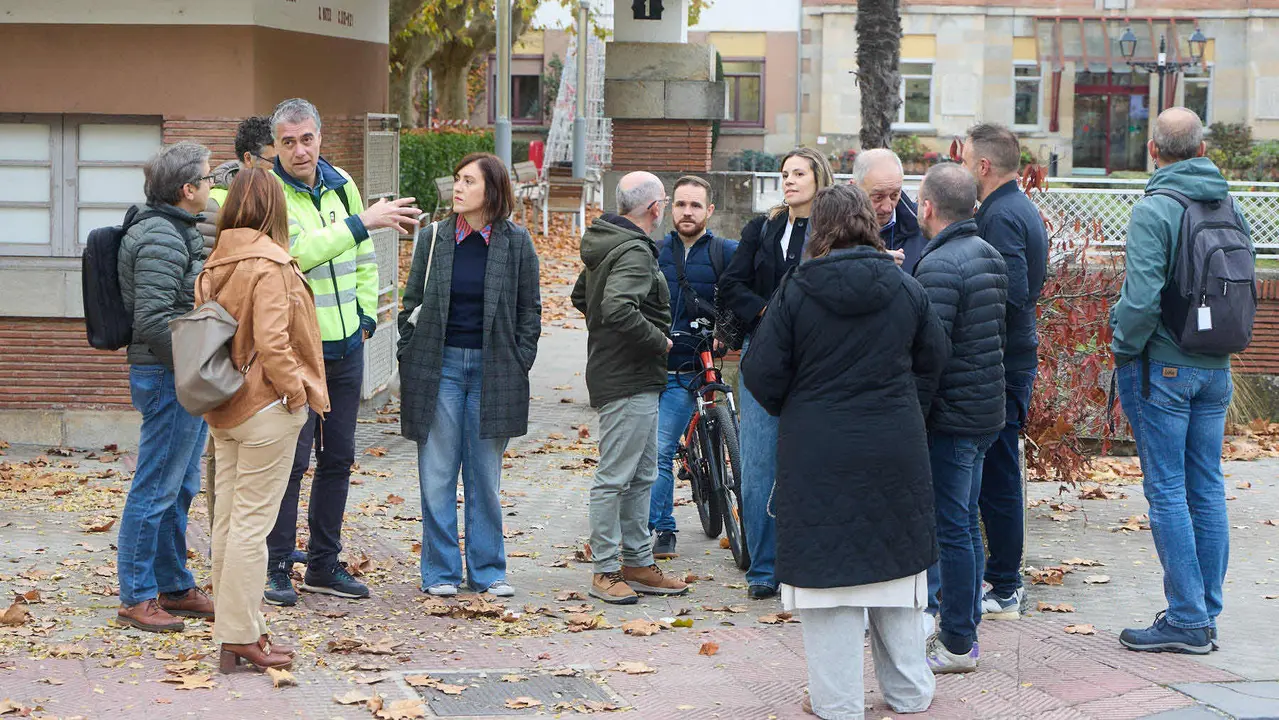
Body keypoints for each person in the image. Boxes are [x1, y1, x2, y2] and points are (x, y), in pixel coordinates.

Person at [741, 183, 946, 720]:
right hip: (895, 449)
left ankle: (837, 703)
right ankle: (909, 693)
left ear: (820, 229)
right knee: (897, 577)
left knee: (827, 585)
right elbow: (934, 360)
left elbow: (761, 374)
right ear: (869, 225)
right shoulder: (905, 288)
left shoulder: (796, 290)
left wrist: (804, 405)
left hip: (818, 452)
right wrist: (905, 405)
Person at [263, 98, 420, 606]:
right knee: (291, 461)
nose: (299, 150)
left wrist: (367, 316)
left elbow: (364, 255)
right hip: (296, 349)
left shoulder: (343, 184)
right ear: (275, 147)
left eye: (306, 138)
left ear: (319, 137)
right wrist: (361, 222)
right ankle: (277, 565)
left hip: (347, 343)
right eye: (288, 142)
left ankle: (324, 564)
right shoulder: (268, 192)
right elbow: (295, 255)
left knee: (339, 458)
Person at [1111, 107, 1251, 654]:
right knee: (1206, 486)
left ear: (1153, 151)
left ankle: (1188, 617)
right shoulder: (1228, 203)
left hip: (1163, 366)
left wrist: (1122, 345)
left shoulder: (1156, 208)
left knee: (1167, 489)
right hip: (1216, 367)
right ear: (1201, 148)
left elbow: (1141, 299)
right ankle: (1205, 612)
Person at [199, 168, 329, 673]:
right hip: (265, 410)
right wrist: (296, 394)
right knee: (251, 527)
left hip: (224, 407)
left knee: (229, 524)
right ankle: (239, 635)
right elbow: (275, 342)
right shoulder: (271, 264)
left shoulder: (214, 265)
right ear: (274, 209)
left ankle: (237, 632)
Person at [398, 153, 543, 598]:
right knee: (437, 473)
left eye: (468, 181)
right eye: (457, 179)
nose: (457, 188)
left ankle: (488, 571)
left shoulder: (516, 243)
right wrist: (408, 350)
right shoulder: (435, 237)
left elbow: (529, 311)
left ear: (492, 191)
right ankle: (440, 573)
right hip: (438, 367)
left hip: (493, 370)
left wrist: (519, 360)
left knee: (484, 477)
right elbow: (411, 304)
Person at [718, 147, 835, 600]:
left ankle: (808, 560)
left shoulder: (833, 232)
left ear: (818, 178)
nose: (788, 181)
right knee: (759, 459)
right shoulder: (762, 228)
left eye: (798, 173)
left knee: (815, 458)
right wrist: (768, 310)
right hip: (763, 351)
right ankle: (763, 567)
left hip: (817, 357)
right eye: (784, 174)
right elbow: (732, 284)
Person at [571, 171, 689, 604]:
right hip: (628, 376)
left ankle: (637, 563)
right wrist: (658, 340)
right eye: (666, 202)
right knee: (617, 476)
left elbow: (583, 298)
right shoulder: (635, 251)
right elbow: (616, 307)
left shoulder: (606, 241)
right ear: (656, 208)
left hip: (626, 374)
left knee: (640, 474)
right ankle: (605, 570)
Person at [114, 141, 217, 632]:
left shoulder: (176, 229)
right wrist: (198, 364)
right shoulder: (160, 237)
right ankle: (136, 596)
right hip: (168, 375)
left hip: (178, 374)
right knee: (155, 487)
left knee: (179, 486)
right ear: (187, 189)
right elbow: (155, 320)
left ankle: (174, 585)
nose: (214, 185)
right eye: (209, 178)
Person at [911, 163, 1009, 673]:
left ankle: (955, 641)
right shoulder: (989, 254)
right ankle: (964, 626)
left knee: (951, 526)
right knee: (966, 524)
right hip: (984, 411)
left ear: (927, 207)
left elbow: (931, 354)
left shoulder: (938, 265)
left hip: (950, 418)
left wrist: (914, 416)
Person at [961, 123, 1048, 620]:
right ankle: (1003, 579)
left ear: (984, 166)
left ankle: (1005, 583)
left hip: (1001, 361)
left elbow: (1010, 290)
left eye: (967, 158)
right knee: (999, 471)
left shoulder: (999, 215)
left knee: (997, 474)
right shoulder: (1020, 209)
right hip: (1014, 356)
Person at [195, 115, 279, 538]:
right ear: (248, 159)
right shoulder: (220, 207)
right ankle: (227, 554)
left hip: (241, 365)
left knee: (238, 493)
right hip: (230, 366)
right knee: (229, 485)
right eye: (271, 159)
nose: (277, 167)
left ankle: (232, 556)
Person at [649, 175, 738, 560]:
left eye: (696, 205)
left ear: (709, 211)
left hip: (695, 367)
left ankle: (666, 528)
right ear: (670, 208)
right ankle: (663, 526)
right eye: (681, 205)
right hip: (653, 366)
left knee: (659, 449)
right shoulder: (652, 251)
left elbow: (741, 293)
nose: (688, 212)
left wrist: (726, 330)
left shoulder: (724, 252)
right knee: (658, 452)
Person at [197, 116, 277, 253]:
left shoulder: (281, 193)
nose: (278, 169)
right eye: (273, 161)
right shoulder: (215, 203)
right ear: (248, 158)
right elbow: (206, 261)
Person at [854, 148, 926, 275]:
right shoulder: (832, 228)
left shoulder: (924, 225)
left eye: (894, 195)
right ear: (855, 187)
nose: (888, 208)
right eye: (878, 197)